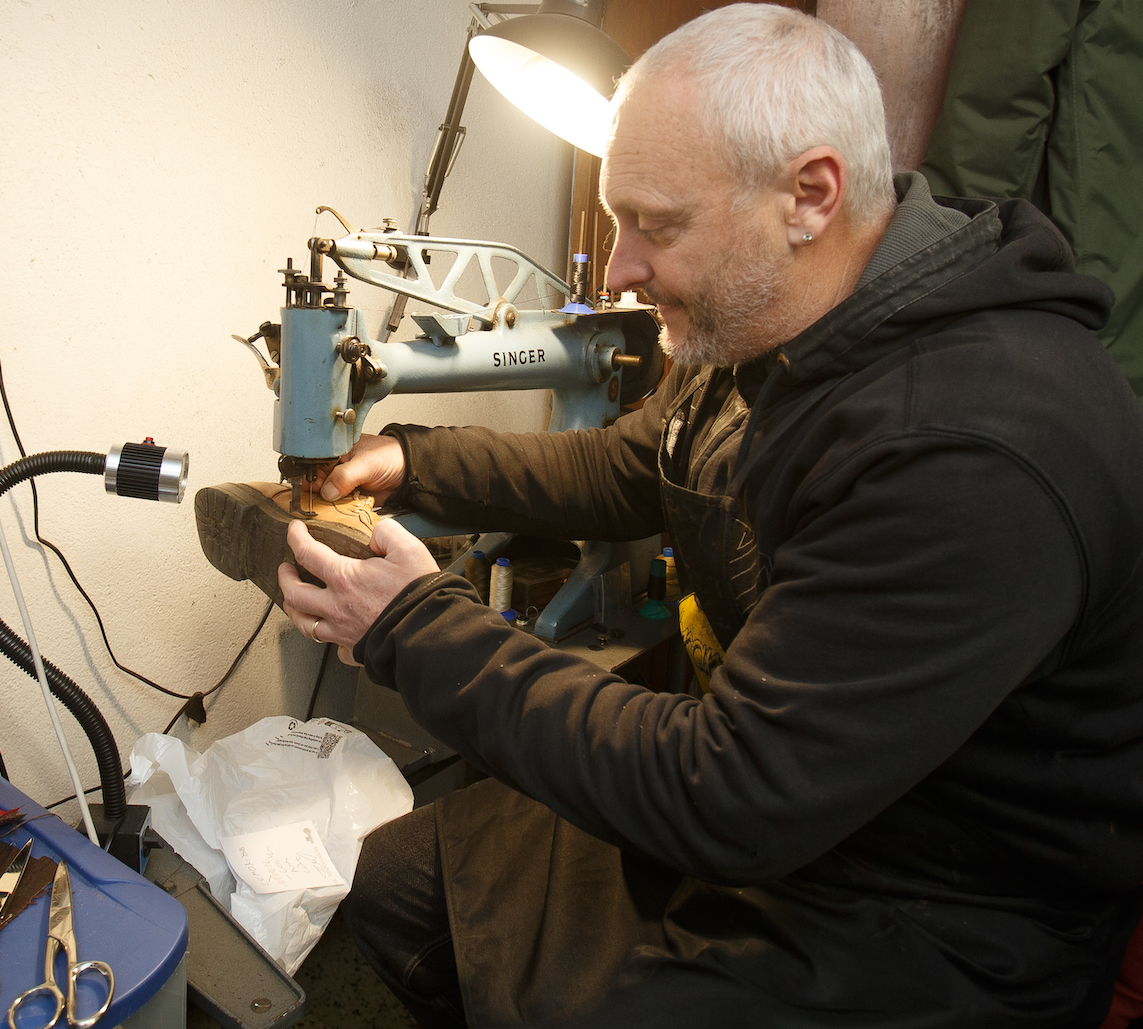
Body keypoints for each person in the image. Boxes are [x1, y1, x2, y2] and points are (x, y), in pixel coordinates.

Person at [271, 5, 1143, 1027]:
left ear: (809, 196)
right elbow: (632, 467)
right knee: (402, 883)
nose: (621, 269)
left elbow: (728, 795)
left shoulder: (968, 446)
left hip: (932, 908)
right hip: (791, 801)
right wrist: (414, 460)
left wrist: (415, 626)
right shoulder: (776, 322)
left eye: (657, 224)